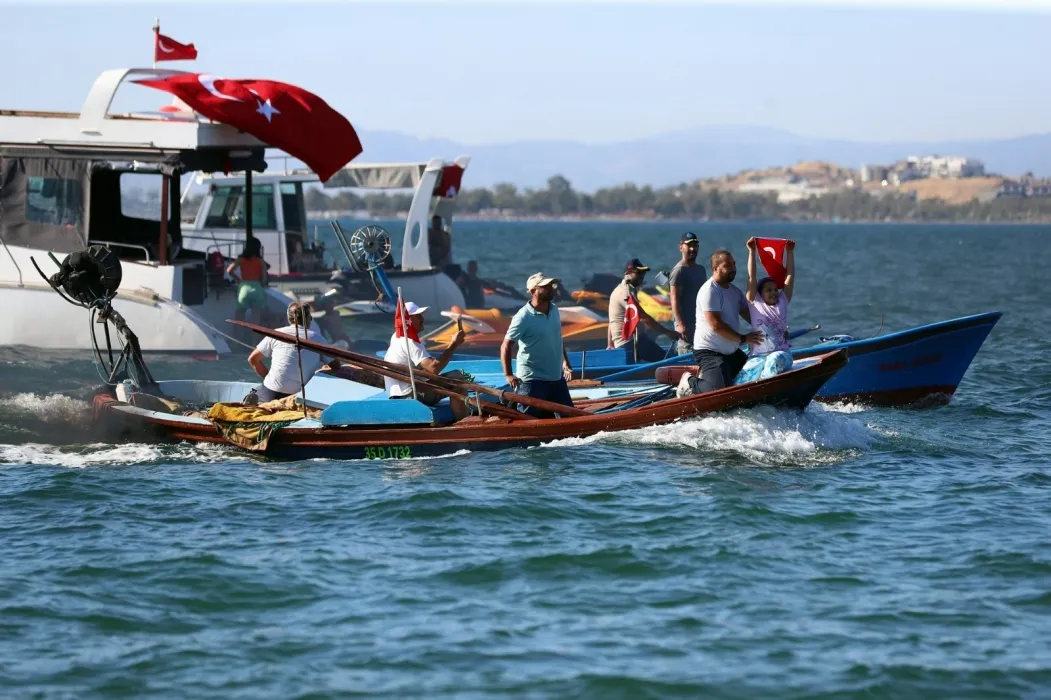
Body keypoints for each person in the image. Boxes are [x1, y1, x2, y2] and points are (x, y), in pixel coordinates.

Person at [500, 272, 575, 418]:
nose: (551, 289)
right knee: (528, 421)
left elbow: (557, 338)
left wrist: (565, 361)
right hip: (532, 381)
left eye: (551, 286)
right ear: (533, 291)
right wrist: (508, 374)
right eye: (546, 287)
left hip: (555, 378)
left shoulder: (554, 310)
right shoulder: (523, 317)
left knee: (570, 419)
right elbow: (505, 345)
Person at [691, 250, 765, 394]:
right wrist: (743, 338)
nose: (733, 269)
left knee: (758, 375)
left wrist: (775, 328)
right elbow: (716, 325)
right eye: (727, 266)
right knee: (719, 391)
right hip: (709, 352)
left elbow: (752, 317)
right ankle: (690, 382)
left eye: (733, 264)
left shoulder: (735, 292)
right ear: (715, 268)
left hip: (731, 353)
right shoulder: (710, 291)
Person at [246, 302, 337, 404]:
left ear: (289, 319)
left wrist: (270, 378)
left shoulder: (275, 334)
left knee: (253, 394)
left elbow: (253, 359)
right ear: (309, 318)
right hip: (299, 395)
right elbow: (335, 366)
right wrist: (322, 370)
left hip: (271, 393)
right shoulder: (319, 339)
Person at [382, 301, 467, 405]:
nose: (422, 319)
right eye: (418, 316)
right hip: (410, 395)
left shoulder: (397, 336)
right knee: (457, 377)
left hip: (398, 394)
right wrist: (454, 344)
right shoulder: (409, 340)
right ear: (407, 320)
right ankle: (462, 419)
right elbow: (433, 368)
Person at [607, 258, 679, 362]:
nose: (642, 276)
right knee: (668, 361)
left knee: (661, 354)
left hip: (634, 341)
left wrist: (610, 344)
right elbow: (644, 317)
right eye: (638, 273)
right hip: (630, 344)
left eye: (643, 272)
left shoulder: (627, 288)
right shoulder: (625, 293)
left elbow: (611, 320)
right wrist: (668, 332)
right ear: (627, 274)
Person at [745, 237, 796, 356]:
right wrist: (752, 251)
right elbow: (752, 277)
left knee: (774, 362)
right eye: (768, 290)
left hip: (781, 353)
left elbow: (790, 277)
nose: (774, 292)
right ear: (760, 293)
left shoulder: (783, 301)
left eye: (775, 289)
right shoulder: (755, 302)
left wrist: (789, 252)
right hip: (758, 356)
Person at [669, 231, 707, 354]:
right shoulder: (679, 270)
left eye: (695, 246)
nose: (692, 249)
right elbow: (674, 299)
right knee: (687, 358)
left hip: (700, 325)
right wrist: (680, 324)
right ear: (681, 247)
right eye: (689, 245)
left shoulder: (701, 270)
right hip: (686, 328)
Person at [227, 237, 270, 325]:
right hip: (257, 289)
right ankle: (254, 339)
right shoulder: (261, 261)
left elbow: (229, 270)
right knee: (256, 319)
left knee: (239, 318)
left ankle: (236, 337)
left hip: (244, 288)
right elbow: (265, 279)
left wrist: (238, 280)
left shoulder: (241, 259)